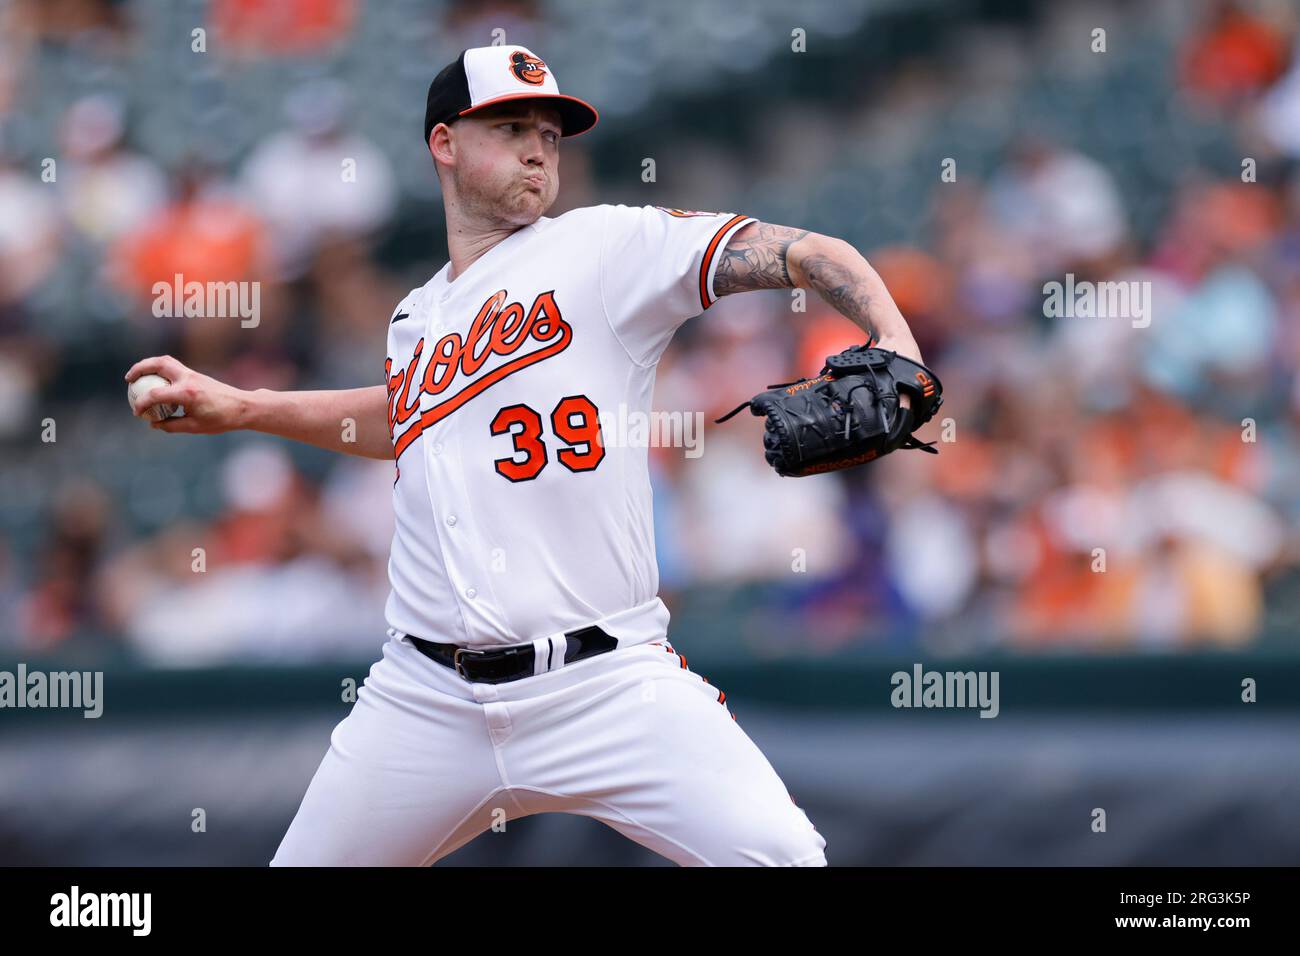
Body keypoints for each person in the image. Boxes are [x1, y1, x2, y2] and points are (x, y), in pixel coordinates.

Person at [126, 45, 923, 866]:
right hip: (426, 698)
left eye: (549, 131)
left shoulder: (608, 248)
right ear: (444, 144)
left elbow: (805, 251)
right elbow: (409, 423)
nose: (539, 147)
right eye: (511, 127)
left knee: (787, 860)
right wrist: (249, 407)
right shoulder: (416, 317)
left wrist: (894, 338)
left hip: (606, 681)